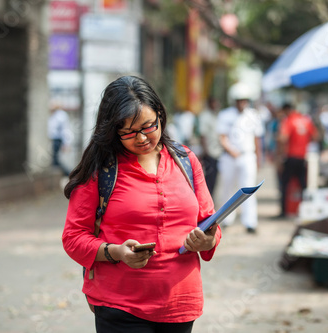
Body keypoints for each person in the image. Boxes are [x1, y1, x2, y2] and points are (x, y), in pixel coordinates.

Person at [62, 76, 222, 333]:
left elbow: (209, 221)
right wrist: (116, 252)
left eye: (148, 126)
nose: (142, 138)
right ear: (112, 130)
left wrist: (209, 240)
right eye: (128, 132)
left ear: (160, 115)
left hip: (180, 304)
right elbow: (73, 237)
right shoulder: (101, 169)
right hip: (120, 305)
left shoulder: (186, 161)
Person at [217, 82, 264, 233]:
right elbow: (222, 137)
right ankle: (226, 219)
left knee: (248, 189)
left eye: (244, 100)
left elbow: (257, 139)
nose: (242, 103)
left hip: (247, 155)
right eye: (239, 100)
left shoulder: (253, 115)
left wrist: (258, 158)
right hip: (230, 157)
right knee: (228, 188)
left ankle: (250, 222)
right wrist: (232, 151)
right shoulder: (225, 115)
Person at [276, 103, 319, 218]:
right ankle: (307, 210)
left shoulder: (289, 121)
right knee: (303, 185)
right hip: (302, 157)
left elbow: (283, 138)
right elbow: (315, 136)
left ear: (287, 110)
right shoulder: (306, 121)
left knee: (285, 184)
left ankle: (284, 211)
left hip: (291, 157)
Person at [198, 96, 222, 195]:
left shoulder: (216, 116)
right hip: (209, 153)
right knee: (209, 180)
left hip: (217, 152)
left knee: (215, 179)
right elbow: (203, 135)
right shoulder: (205, 117)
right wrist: (206, 151)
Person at [48, 103, 71, 176]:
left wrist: (66, 143)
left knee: (55, 160)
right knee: (55, 160)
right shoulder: (54, 115)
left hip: (58, 139)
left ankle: (68, 173)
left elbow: (65, 130)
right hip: (54, 139)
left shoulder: (61, 115)